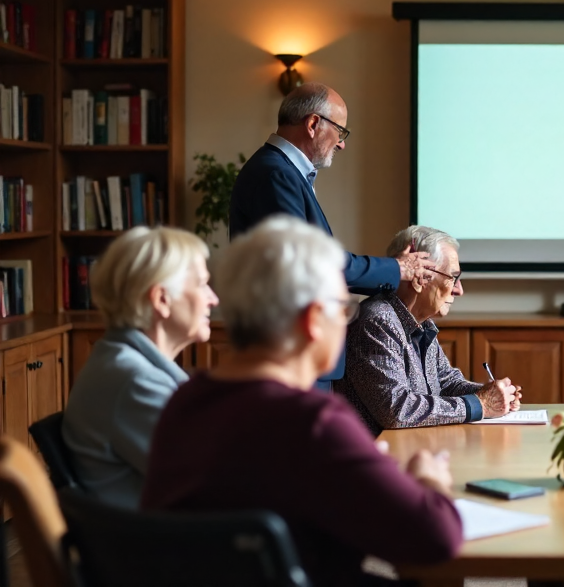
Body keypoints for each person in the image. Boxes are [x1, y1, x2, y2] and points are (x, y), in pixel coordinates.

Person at [142, 217, 462, 587]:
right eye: (342, 308)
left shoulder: (184, 401)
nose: (346, 321)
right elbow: (438, 538)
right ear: (313, 320)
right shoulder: (314, 422)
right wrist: (429, 479)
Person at [228, 82, 435, 389]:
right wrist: (398, 269)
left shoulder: (282, 171)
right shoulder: (275, 174)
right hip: (291, 352)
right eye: (341, 131)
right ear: (313, 124)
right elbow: (313, 265)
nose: (342, 144)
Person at [62, 227, 218, 509]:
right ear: (161, 299)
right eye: (202, 284)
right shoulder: (135, 382)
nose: (213, 298)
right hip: (168, 547)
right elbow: (217, 482)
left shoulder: (121, 363)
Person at [335, 225, 520, 433]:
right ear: (419, 277)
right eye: (453, 277)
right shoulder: (378, 320)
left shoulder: (421, 322)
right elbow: (397, 410)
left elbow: (446, 383)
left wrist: (493, 394)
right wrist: (481, 404)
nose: (459, 290)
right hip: (380, 457)